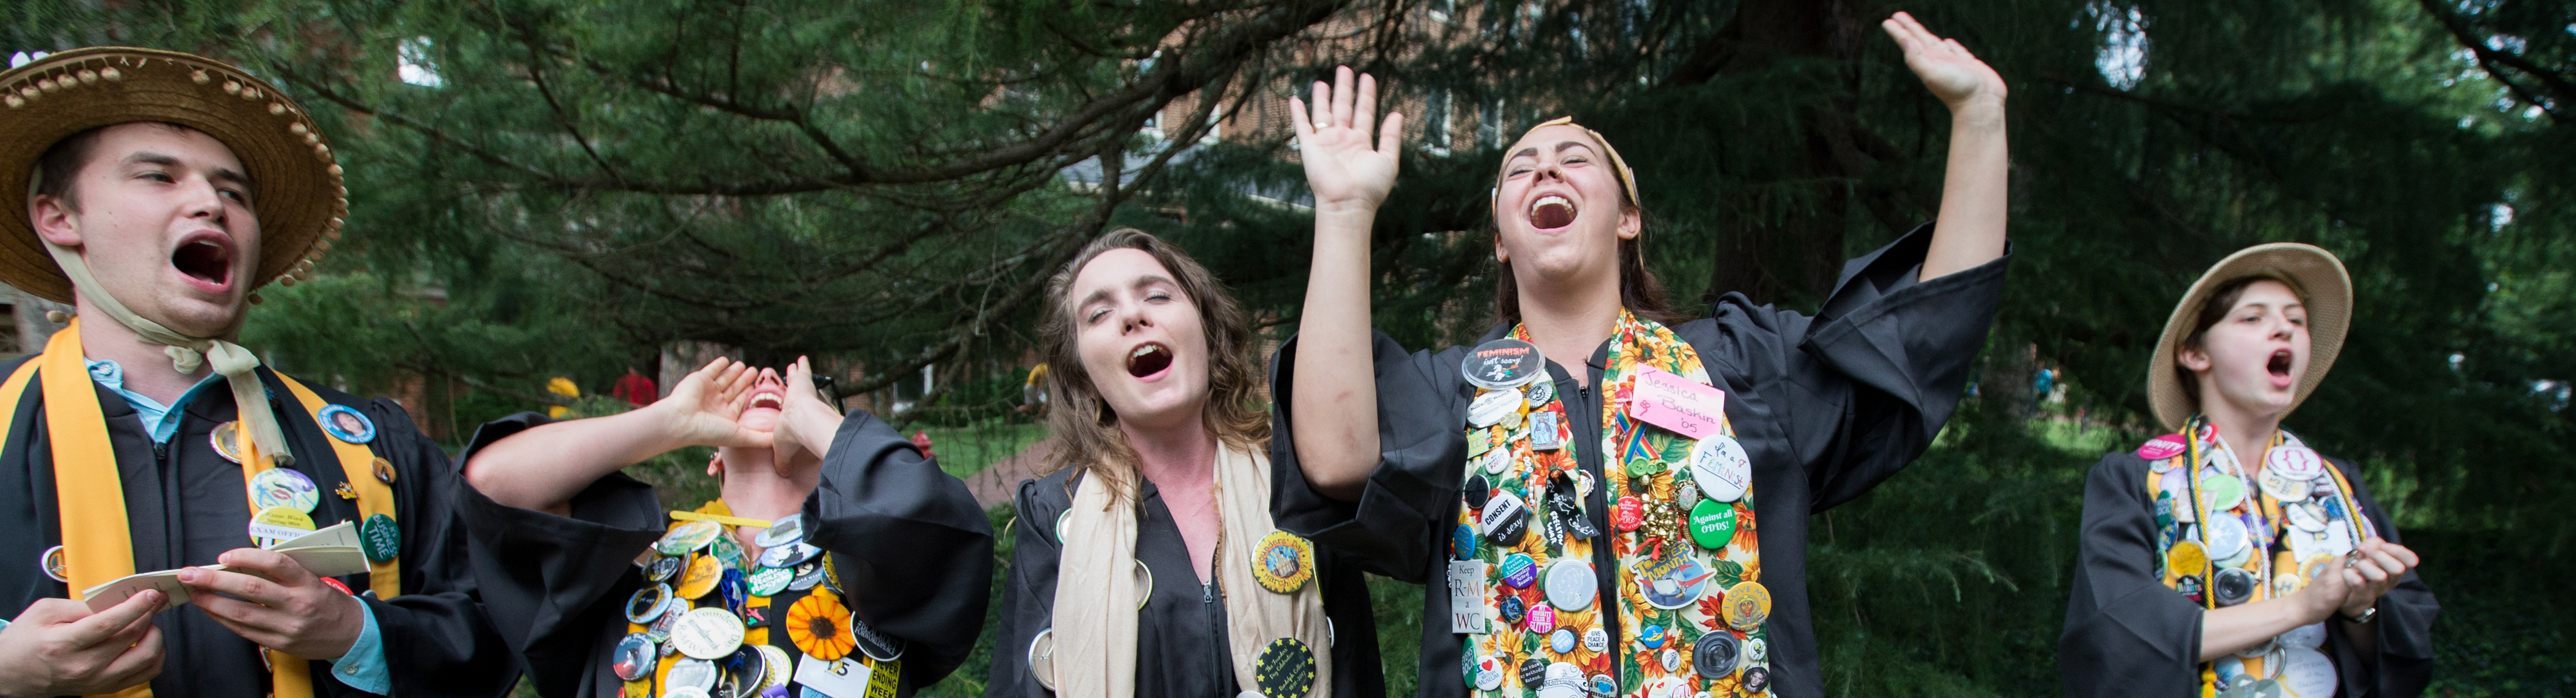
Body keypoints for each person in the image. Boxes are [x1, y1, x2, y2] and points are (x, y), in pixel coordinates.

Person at [1272, 12, 2010, 698]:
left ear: (1627, 217)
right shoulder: (1450, 394)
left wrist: (1978, 119)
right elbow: (1336, 461)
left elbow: (1920, 333)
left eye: (1572, 159)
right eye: (1520, 168)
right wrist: (1343, 213)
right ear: (1500, 237)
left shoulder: (1742, 365)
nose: (1545, 172)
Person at [0, 47, 514, 696]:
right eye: (159, 176)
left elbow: (492, 631)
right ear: (59, 218)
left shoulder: (369, 442)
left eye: (232, 191)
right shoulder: (6, 420)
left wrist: (356, 631)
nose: (210, 203)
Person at [987, 229, 1382, 698]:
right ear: (1083, 376)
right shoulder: (1051, 515)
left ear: (1207, 333)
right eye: (1099, 313)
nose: (1134, 315)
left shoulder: (1300, 489)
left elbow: (1357, 678)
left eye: (1156, 295)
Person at [458, 357, 993, 698]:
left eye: (792, 383)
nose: (768, 379)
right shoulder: (635, 570)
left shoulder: (878, 567)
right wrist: (666, 422)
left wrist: (809, 418)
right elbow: (493, 485)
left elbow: (935, 520)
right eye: (756, 379)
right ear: (713, 459)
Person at [2058, 244, 2435, 697]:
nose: (2284, 329)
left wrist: (2360, 608)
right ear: (2196, 353)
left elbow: (2401, 657)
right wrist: (2302, 606)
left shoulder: (2338, 486)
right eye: (2253, 318)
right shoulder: (2132, 480)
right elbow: (2120, 632)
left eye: (2296, 321)